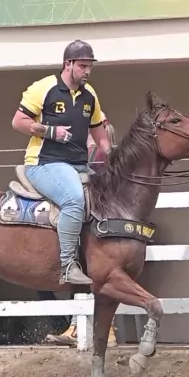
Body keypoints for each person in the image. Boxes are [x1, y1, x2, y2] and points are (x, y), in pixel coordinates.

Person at [12, 39, 111, 285]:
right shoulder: (44, 88)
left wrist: (111, 156)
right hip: (44, 163)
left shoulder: (90, 95)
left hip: (79, 165)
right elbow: (18, 122)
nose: (87, 71)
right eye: (83, 66)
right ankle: (68, 265)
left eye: (90, 66)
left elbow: (98, 130)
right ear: (68, 64)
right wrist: (50, 132)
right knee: (74, 200)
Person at [45, 113, 118, 348]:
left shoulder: (96, 154)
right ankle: (79, 327)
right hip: (95, 219)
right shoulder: (100, 151)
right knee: (86, 273)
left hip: (96, 222)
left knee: (96, 273)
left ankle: (100, 330)